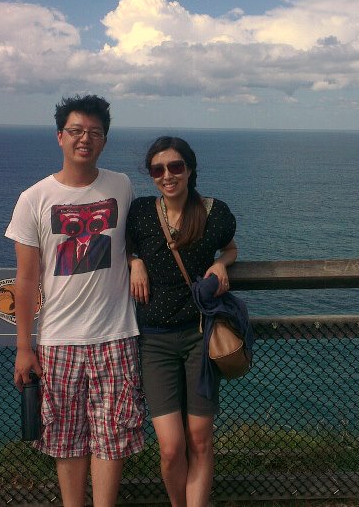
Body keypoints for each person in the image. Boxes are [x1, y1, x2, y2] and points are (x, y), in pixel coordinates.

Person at [6, 94, 144, 507]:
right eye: (76, 131)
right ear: (60, 137)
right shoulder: (34, 198)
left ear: (105, 140)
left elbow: (137, 239)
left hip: (115, 335)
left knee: (113, 437)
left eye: (95, 132)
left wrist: (136, 260)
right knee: (65, 439)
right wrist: (24, 347)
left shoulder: (122, 186)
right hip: (58, 340)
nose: (85, 139)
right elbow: (26, 279)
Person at [126, 136, 238, 506]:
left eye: (175, 166)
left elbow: (231, 247)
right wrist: (134, 262)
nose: (167, 175)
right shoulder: (141, 212)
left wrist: (221, 263)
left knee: (200, 439)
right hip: (155, 342)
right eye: (158, 169)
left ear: (189, 169)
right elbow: (125, 246)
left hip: (199, 337)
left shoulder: (213, 213)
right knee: (171, 447)